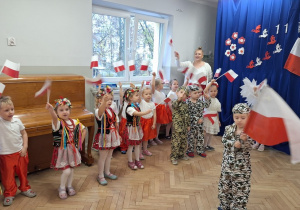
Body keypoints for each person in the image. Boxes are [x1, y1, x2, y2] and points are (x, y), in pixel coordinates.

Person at [46, 97, 87, 199]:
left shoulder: (74, 122)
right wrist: (51, 111)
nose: (64, 112)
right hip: (62, 150)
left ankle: (69, 186)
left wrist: (78, 144)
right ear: (57, 112)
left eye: (66, 109)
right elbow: (54, 118)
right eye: (61, 110)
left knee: (72, 169)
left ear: (70, 110)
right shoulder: (58, 123)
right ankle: (62, 187)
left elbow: (84, 129)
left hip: (72, 149)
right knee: (67, 171)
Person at [0, 96, 36, 206]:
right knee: (8, 176)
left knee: (23, 173)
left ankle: (25, 188)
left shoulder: (17, 120)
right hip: (6, 155)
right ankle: (9, 193)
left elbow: (24, 133)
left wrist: (25, 147)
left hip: (20, 153)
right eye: (6, 110)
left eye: (12, 109)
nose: (10, 112)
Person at [218, 103, 253, 210]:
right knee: (225, 187)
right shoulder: (229, 128)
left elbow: (249, 147)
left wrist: (244, 141)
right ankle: (224, 206)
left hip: (241, 168)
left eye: (243, 118)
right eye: (236, 117)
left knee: (240, 190)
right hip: (227, 165)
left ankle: (239, 208)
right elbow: (224, 140)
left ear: (248, 117)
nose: (239, 120)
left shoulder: (249, 132)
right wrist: (235, 143)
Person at [92, 88, 120, 186]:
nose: (110, 101)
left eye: (111, 99)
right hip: (103, 137)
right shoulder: (98, 111)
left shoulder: (111, 110)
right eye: (107, 99)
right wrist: (104, 101)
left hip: (112, 135)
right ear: (100, 100)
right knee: (103, 157)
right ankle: (100, 175)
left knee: (109, 156)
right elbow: (100, 112)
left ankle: (107, 172)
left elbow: (114, 123)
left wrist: (118, 134)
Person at [125, 87, 152, 170]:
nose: (138, 97)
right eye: (136, 95)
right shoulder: (129, 108)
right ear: (130, 98)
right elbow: (137, 113)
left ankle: (137, 160)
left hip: (137, 127)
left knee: (137, 145)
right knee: (130, 146)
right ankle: (130, 161)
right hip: (131, 129)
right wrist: (146, 112)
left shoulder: (136, 105)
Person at [186, 85, 211, 158]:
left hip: (200, 124)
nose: (197, 94)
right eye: (195, 93)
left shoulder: (200, 102)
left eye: (198, 93)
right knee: (191, 137)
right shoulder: (187, 103)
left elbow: (206, 105)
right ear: (190, 94)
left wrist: (208, 99)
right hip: (191, 124)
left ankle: (200, 150)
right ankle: (190, 150)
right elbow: (187, 115)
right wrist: (196, 119)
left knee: (200, 137)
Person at [170, 86, 190, 165]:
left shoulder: (186, 104)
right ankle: (173, 157)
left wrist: (188, 125)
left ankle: (181, 154)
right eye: (181, 92)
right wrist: (179, 99)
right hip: (177, 127)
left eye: (185, 94)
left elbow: (187, 115)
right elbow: (175, 105)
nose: (183, 95)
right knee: (176, 142)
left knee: (183, 141)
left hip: (184, 126)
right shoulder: (175, 101)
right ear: (177, 93)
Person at [151, 72, 170, 145]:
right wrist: (154, 76)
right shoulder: (154, 92)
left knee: (158, 125)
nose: (163, 84)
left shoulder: (162, 93)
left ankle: (156, 137)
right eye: (162, 83)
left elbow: (164, 101)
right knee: (154, 124)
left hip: (162, 109)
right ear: (158, 85)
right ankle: (151, 139)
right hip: (156, 109)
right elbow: (152, 85)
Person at [139, 81, 157, 159]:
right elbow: (138, 95)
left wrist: (154, 123)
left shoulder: (152, 104)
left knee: (146, 138)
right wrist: (141, 86)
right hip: (142, 122)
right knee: (140, 137)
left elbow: (155, 114)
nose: (148, 95)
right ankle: (139, 152)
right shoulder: (141, 102)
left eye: (150, 94)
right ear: (143, 95)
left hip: (149, 122)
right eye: (146, 94)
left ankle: (145, 150)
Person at [203, 80, 221, 151]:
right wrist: (211, 83)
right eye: (211, 91)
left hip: (214, 118)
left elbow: (217, 112)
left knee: (211, 133)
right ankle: (204, 145)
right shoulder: (207, 98)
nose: (213, 92)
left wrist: (218, 120)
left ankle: (209, 144)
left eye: (215, 91)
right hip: (207, 118)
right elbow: (204, 91)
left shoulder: (216, 100)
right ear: (208, 92)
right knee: (207, 133)